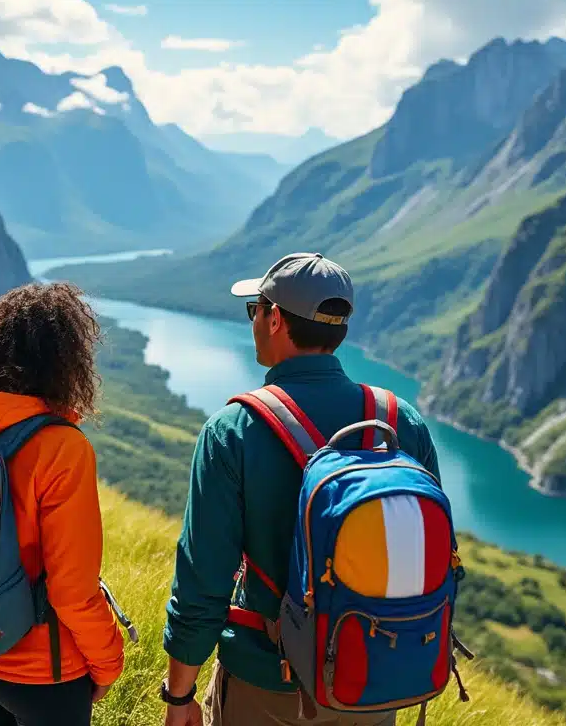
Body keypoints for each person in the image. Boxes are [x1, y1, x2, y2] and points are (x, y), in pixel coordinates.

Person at [160, 253, 442, 726]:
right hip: (372, 679)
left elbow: (202, 580)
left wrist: (179, 695)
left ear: (273, 319)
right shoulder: (400, 421)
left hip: (266, 684)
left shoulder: (235, 431)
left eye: (256, 309)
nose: (254, 321)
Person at [0, 282, 124, 726]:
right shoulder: (61, 448)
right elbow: (72, 590)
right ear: (65, 361)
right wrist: (109, 662)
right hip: (46, 671)